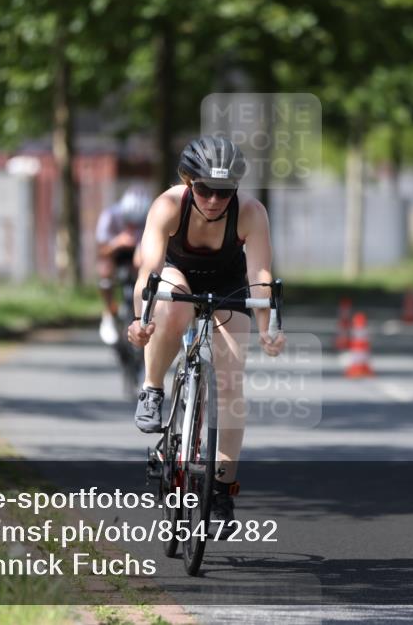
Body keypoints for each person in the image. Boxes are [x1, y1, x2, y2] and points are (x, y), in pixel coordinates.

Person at [126, 135, 286, 527]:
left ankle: (221, 491)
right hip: (179, 274)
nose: (214, 200)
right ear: (187, 181)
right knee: (173, 306)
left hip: (228, 281)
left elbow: (260, 276)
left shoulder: (250, 212)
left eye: (223, 192)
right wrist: (141, 320)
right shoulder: (167, 205)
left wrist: (268, 329)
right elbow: (148, 270)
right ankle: (152, 388)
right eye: (204, 189)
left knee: (231, 380)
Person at [96, 186, 151, 345]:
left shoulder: (150, 218)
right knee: (105, 268)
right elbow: (101, 251)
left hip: (139, 253)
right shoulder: (110, 216)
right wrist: (117, 242)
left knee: (147, 268)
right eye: (130, 222)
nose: (133, 226)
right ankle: (109, 312)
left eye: (137, 223)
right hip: (115, 253)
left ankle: (143, 311)